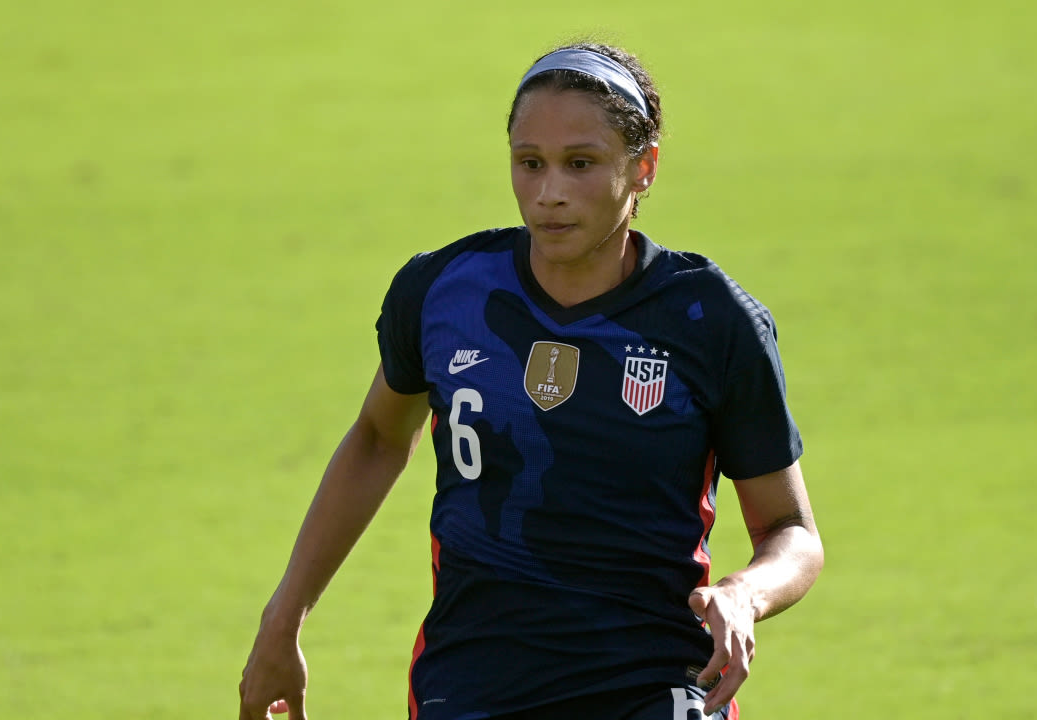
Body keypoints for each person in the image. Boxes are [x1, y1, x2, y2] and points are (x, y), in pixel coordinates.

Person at [238, 42, 824, 720]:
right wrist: (284, 617)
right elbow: (376, 438)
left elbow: (791, 531)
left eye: (581, 164)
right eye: (529, 164)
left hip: (651, 685)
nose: (549, 193)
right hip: (471, 685)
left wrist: (744, 594)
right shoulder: (443, 292)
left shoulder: (710, 320)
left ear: (644, 167)